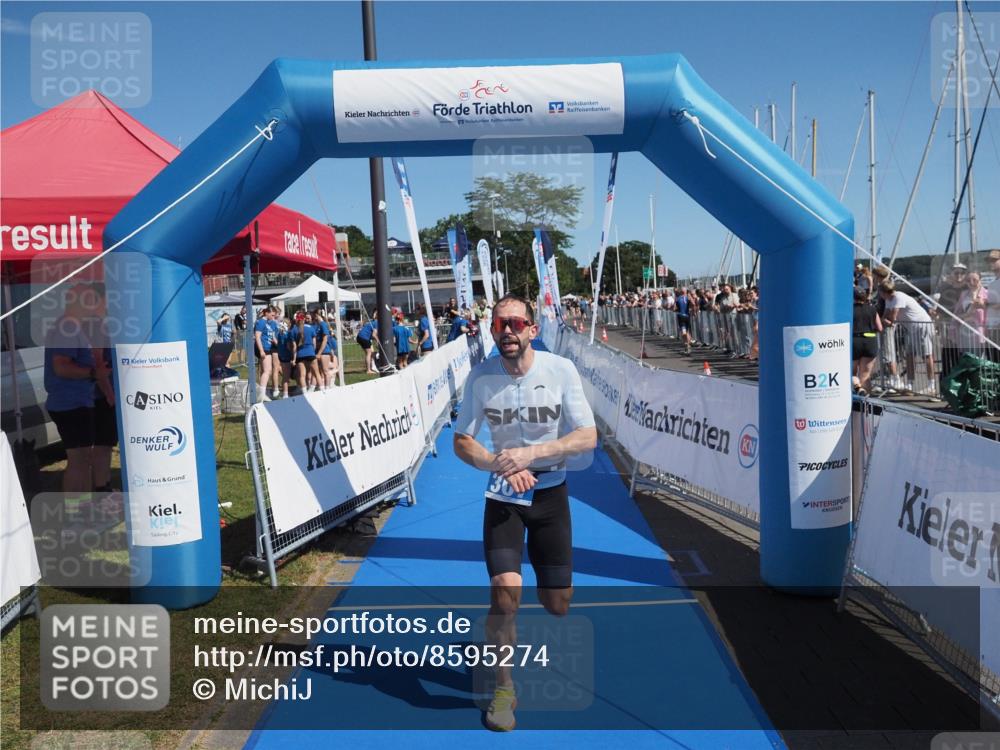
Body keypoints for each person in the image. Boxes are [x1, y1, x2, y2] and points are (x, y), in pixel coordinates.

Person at [452, 293, 597, 732]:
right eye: (500, 325)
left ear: (533, 329)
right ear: (491, 331)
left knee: (558, 605)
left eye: (516, 323)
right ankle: (503, 688)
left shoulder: (560, 370)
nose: (508, 331)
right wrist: (499, 462)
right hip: (502, 498)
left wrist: (532, 454)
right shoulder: (481, 377)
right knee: (505, 595)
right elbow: (462, 441)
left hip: (551, 496)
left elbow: (587, 437)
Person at [43, 283, 112, 494]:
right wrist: (94, 374)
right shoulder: (68, 327)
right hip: (70, 404)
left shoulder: (73, 326)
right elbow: (61, 366)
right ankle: (76, 513)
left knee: (83, 459)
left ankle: (81, 510)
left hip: (77, 402)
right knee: (79, 460)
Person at [879, 281, 936, 395]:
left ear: (884, 292)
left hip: (921, 326)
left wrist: (882, 320)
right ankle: (910, 384)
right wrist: (883, 320)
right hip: (910, 329)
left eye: (880, 292)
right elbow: (885, 317)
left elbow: (891, 319)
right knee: (909, 356)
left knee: (927, 356)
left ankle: (931, 386)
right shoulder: (888, 299)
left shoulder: (899, 297)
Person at [852, 286, 882, 394]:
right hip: (870, 341)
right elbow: (880, 328)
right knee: (865, 375)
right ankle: (867, 403)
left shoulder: (849, 310)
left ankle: (857, 388)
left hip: (854, 341)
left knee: (851, 373)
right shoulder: (872, 309)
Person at [254, 307, 280, 401]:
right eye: (272, 315)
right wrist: (261, 350)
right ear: (266, 313)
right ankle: (262, 394)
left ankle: (262, 392)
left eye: (275, 315)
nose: (274, 317)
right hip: (263, 348)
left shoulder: (272, 323)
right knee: (267, 370)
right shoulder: (261, 322)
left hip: (269, 347)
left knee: (267, 370)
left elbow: (273, 335)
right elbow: (257, 337)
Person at [293, 312, 323, 393]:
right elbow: (314, 343)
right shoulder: (311, 328)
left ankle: (304, 392)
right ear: (304, 319)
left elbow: (294, 346)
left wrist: (294, 357)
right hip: (310, 353)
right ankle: (322, 390)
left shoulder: (294, 329)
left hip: (300, 354)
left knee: (302, 375)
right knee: (317, 373)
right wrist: (313, 351)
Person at [356, 309, 378, 375]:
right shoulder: (377, 323)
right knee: (369, 353)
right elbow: (374, 335)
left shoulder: (373, 322)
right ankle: (368, 370)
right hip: (363, 337)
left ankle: (370, 368)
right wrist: (378, 340)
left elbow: (371, 334)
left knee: (369, 353)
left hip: (359, 336)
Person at [675, 287, 693, 354]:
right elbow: (693, 304)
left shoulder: (678, 298)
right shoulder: (688, 298)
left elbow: (674, 308)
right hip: (687, 316)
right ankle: (688, 345)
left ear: (681, 292)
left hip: (681, 316)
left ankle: (687, 345)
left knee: (683, 332)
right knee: (687, 331)